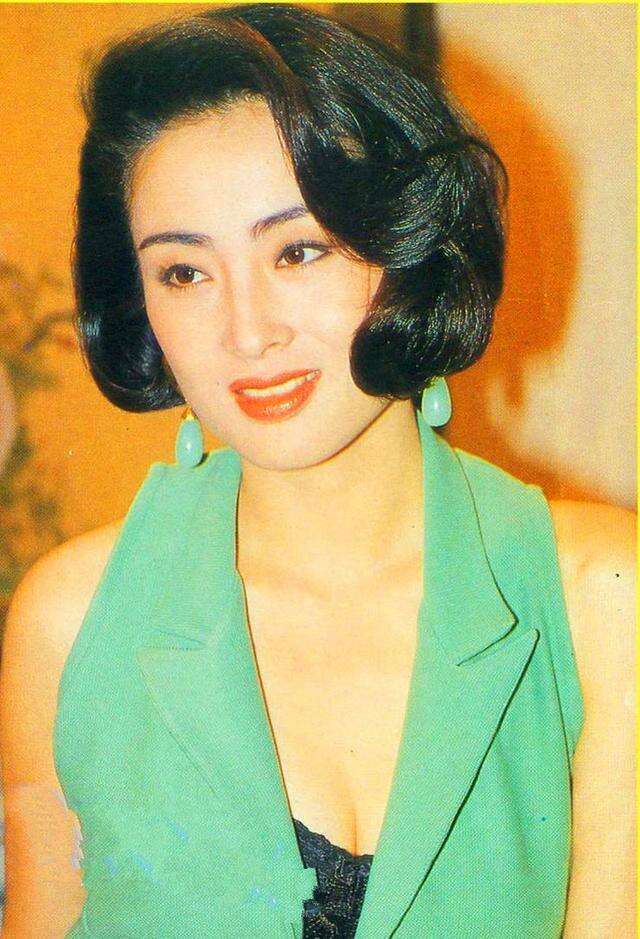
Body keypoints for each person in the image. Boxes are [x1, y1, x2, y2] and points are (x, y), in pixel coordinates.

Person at [0, 4, 635, 938]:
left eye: (298, 251)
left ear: (410, 246)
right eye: (184, 272)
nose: (246, 331)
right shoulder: (69, 622)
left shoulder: (602, 601)